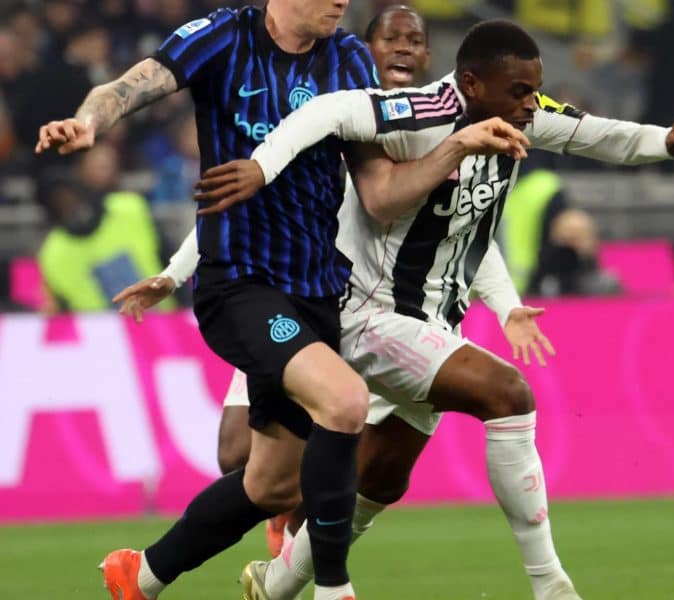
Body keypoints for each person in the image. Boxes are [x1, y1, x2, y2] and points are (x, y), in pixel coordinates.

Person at [190, 19, 674, 599]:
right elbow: (329, 112)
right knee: (507, 394)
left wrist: (665, 140)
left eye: (532, 90)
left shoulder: (525, 116)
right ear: (472, 82)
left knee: (381, 481)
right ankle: (552, 586)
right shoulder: (421, 110)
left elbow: (597, 134)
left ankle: (276, 584)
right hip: (370, 314)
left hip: (433, 324)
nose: (529, 104)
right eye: (517, 91)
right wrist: (262, 164)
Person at [33, 2, 510, 599]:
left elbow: (379, 192)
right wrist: (89, 122)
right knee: (344, 402)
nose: (340, 1)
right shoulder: (223, 37)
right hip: (239, 283)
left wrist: (453, 150)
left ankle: (141, 575)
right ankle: (333, 590)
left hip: (315, 289)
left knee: (271, 484)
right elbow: (131, 85)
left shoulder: (348, 59)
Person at [36, 166, 174, 314]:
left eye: (72, 198)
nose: (73, 208)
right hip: (103, 333)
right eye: (61, 205)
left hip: (166, 323)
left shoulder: (129, 208)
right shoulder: (53, 253)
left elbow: (170, 258)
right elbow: (58, 309)